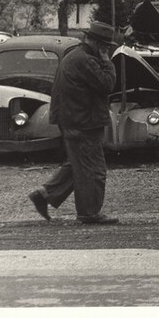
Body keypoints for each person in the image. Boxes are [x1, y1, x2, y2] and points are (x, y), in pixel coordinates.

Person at [28, 21, 119, 224]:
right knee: (93, 168)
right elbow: (107, 84)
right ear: (95, 42)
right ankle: (89, 213)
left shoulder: (76, 56)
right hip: (84, 121)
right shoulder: (87, 60)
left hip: (73, 119)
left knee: (78, 164)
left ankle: (45, 194)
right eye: (104, 46)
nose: (106, 49)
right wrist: (107, 61)